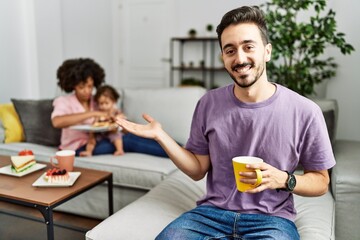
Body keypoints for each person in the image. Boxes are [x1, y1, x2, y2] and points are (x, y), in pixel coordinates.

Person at [115, 6, 336, 240]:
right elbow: (198, 169)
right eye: (230, 50)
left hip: (272, 220)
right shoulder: (208, 103)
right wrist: (161, 136)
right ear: (223, 58)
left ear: (267, 52)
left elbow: (321, 182)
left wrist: (285, 179)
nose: (239, 58)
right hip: (211, 215)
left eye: (248, 47)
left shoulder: (305, 111)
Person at [52, 58, 168, 158]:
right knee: (127, 141)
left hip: (98, 140)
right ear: (73, 85)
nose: (87, 91)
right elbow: (57, 122)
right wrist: (93, 114)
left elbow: (108, 121)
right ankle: (176, 152)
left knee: (131, 135)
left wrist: (117, 125)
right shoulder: (63, 101)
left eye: (90, 86)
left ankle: (179, 147)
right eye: (82, 87)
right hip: (76, 148)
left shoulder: (96, 100)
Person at [79, 85, 125, 157]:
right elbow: (95, 123)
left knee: (116, 136)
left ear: (113, 102)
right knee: (91, 139)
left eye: (106, 103)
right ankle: (88, 151)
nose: (103, 106)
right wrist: (94, 127)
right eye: (101, 103)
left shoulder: (115, 111)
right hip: (100, 134)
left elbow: (121, 118)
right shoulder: (99, 113)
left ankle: (119, 150)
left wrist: (115, 118)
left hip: (112, 132)